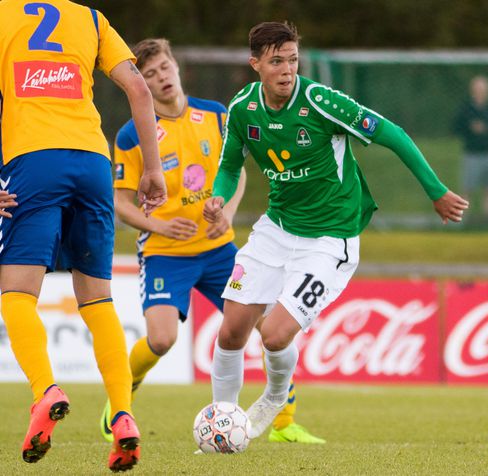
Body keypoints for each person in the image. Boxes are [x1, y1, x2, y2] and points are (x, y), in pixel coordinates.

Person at [203, 21, 468, 440]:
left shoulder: (321, 101)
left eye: (292, 59)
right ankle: (222, 424)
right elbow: (230, 166)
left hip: (329, 239)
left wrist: (435, 191)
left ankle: (275, 397)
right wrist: (218, 198)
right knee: (232, 328)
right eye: (276, 61)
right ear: (255, 64)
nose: (287, 69)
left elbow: (392, 133)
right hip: (277, 228)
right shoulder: (241, 109)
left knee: (273, 337)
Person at [104, 38, 325, 445]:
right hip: (165, 253)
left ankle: (283, 421)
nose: (161, 77)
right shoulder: (133, 134)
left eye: (165, 67)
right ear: (141, 82)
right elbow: (119, 201)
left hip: (220, 248)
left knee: (271, 326)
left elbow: (237, 170)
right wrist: (159, 227)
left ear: (177, 66)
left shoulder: (216, 115)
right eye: (149, 74)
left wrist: (228, 210)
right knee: (162, 339)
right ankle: (121, 397)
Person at [0, 0, 167, 471]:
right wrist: (152, 169)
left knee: (15, 291)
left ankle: (44, 391)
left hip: (34, 160)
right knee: (97, 299)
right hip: (93, 161)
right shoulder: (91, 18)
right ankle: (122, 415)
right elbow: (138, 88)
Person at [452, 75, 488, 222]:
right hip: (472, 154)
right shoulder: (466, 110)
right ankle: (463, 221)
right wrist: (471, 128)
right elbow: (456, 128)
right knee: (467, 189)